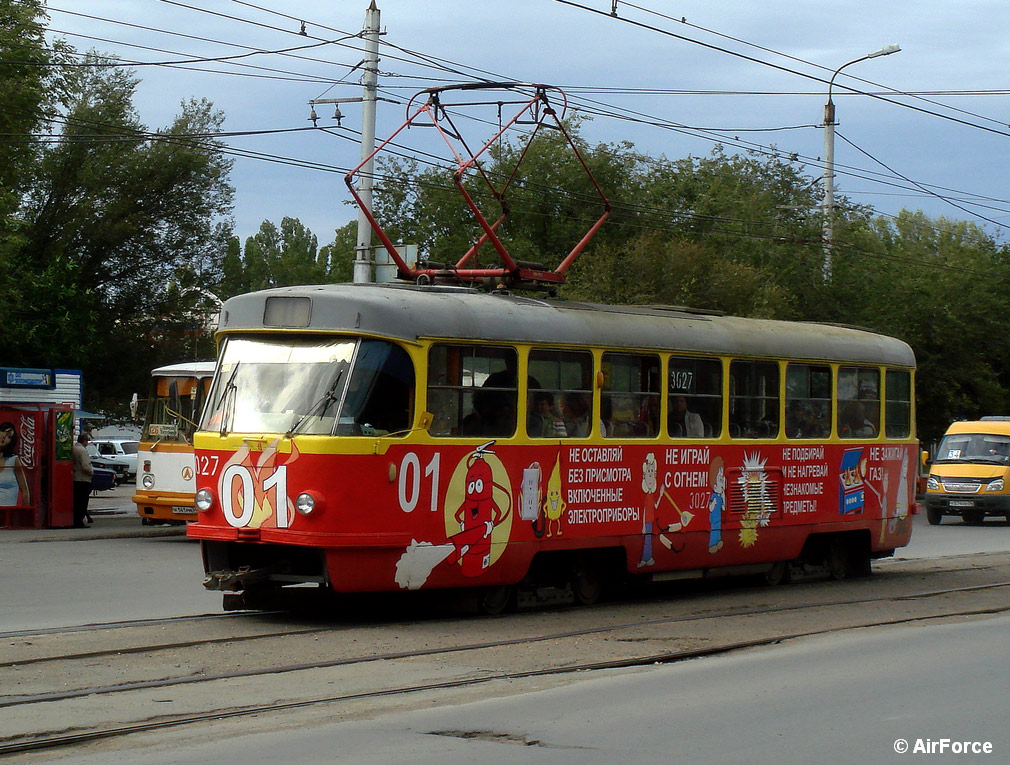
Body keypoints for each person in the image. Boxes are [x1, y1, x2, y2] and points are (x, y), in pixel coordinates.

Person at [0, 421, 31, 508]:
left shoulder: (13, 460)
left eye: (9, 436)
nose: (4, 436)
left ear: (11, 442)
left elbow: (25, 492)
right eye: (3, 431)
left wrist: (24, 513)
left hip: (9, 513)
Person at [72, 432, 94, 527]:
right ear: (84, 440)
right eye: (87, 440)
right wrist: (91, 472)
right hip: (83, 479)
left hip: (75, 477)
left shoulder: (74, 448)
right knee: (82, 502)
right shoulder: (82, 450)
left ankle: (76, 520)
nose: (88, 442)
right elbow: (85, 465)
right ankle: (79, 521)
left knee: (76, 501)